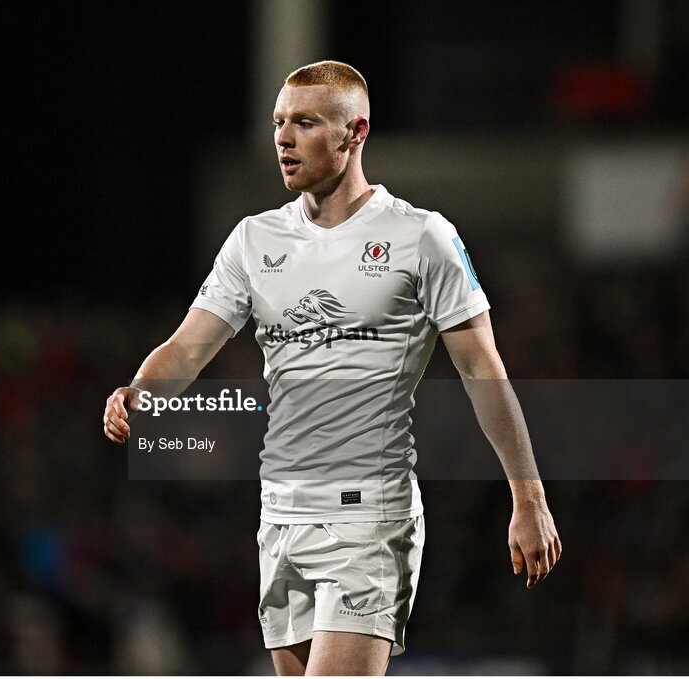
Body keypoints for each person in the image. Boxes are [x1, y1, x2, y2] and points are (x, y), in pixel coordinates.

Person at [102, 60, 561, 676]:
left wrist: (527, 496)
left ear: (355, 133)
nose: (284, 139)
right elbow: (187, 347)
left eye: (306, 122)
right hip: (280, 513)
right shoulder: (253, 240)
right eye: (278, 123)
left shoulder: (421, 237)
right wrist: (138, 390)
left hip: (368, 515)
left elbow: (483, 369)